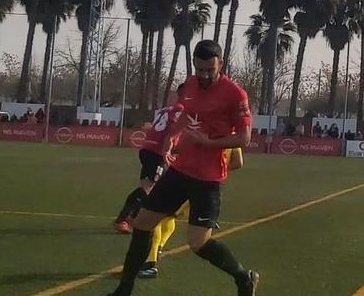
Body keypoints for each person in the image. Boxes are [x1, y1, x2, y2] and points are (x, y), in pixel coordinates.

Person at [106, 40, 258, 296]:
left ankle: (244, 278)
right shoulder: (189, 84)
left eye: (210, 69)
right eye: (200, 69)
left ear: (220, 64)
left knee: (198, 243)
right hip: (180, 171)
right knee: (142, 223)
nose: (204, 75)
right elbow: (186, 114)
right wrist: (171, 139)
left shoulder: (235, 94)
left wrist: (209, 143)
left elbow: (244, 138)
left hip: (208, 179)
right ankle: (124, 289)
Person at [139, 147, 244, 279]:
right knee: (167, 219)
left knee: (156, 221)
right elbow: (238, 162)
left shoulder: (203, 132)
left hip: (189, 183)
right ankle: (158, 248)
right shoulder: (232, 137)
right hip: (209, 185)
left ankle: (150, 264)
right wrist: (219, 170)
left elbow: (185, 151)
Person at [113, 85, 185, 233]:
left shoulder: (167, 109)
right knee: (147, 187)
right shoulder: (181, 111)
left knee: (150, 186)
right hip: (157, 152)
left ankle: (134, 217)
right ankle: (123, 219)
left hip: (148, 148)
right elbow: (173, 130)